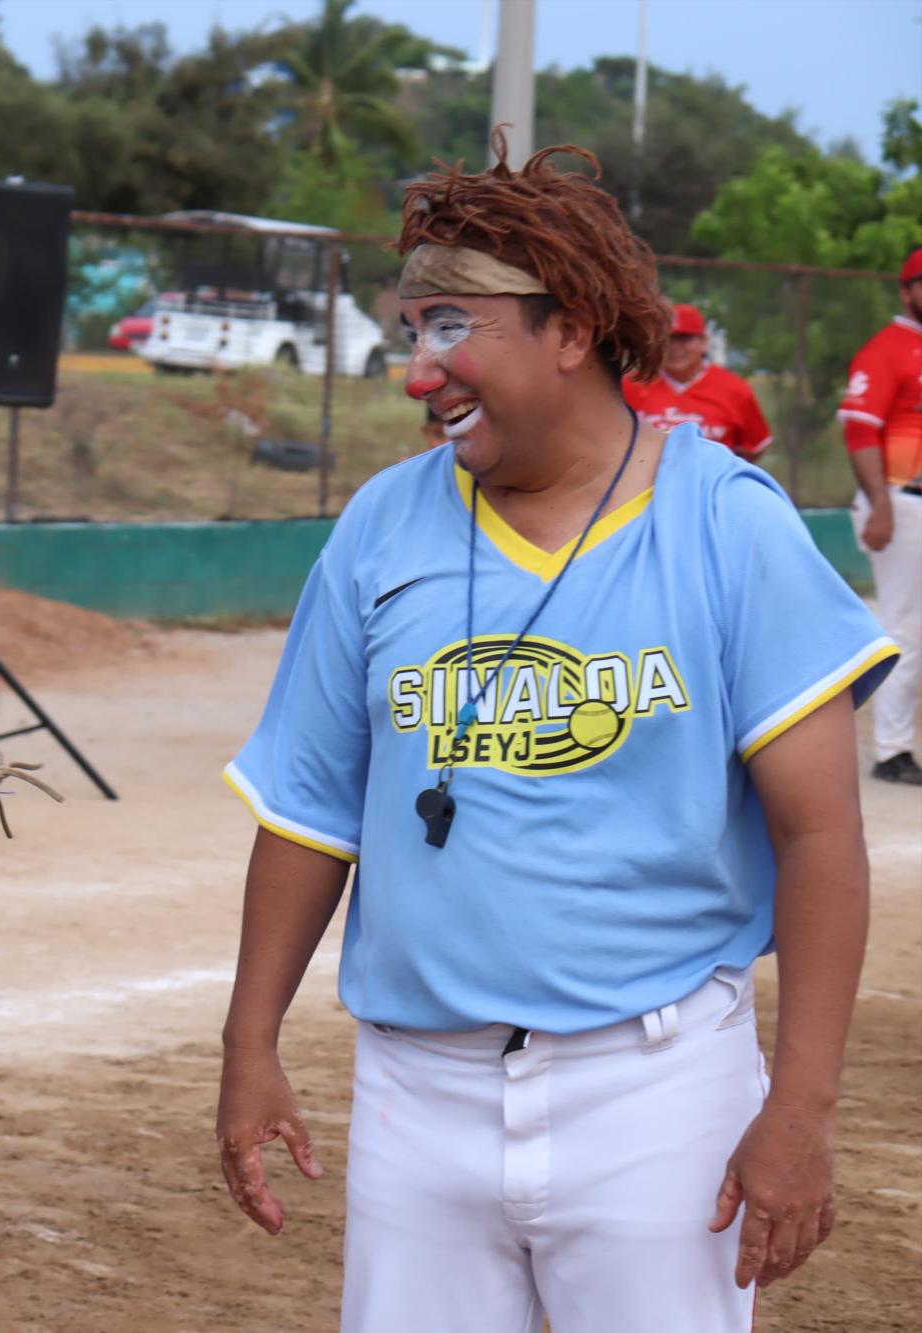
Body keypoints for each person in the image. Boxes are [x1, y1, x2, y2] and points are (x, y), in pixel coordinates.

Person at [215, 137, 897, 1333]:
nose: (418, 372)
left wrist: (799, 1106)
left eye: (450, 328)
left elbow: (820, 837)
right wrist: (249, 1042)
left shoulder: (724, 524)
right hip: (415, 1090)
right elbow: (310, 808)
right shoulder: (381, 525)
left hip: (655, 1091)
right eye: (409, 330)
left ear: (570, 328)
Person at [837, 247, 922, 785]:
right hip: (903, 501)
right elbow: (860, 429)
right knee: (906, 627)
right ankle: (891, 751)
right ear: (906, 291)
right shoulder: (888, 349)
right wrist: (882, 506)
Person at [622, 302, 773, 459]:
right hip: (648, 482)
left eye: (684, 338)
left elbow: (754, 447)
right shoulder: (631, 385)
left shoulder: (734, 388)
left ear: (703, 341)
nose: (675, 346)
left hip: (710, 481)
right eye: (668, 338)